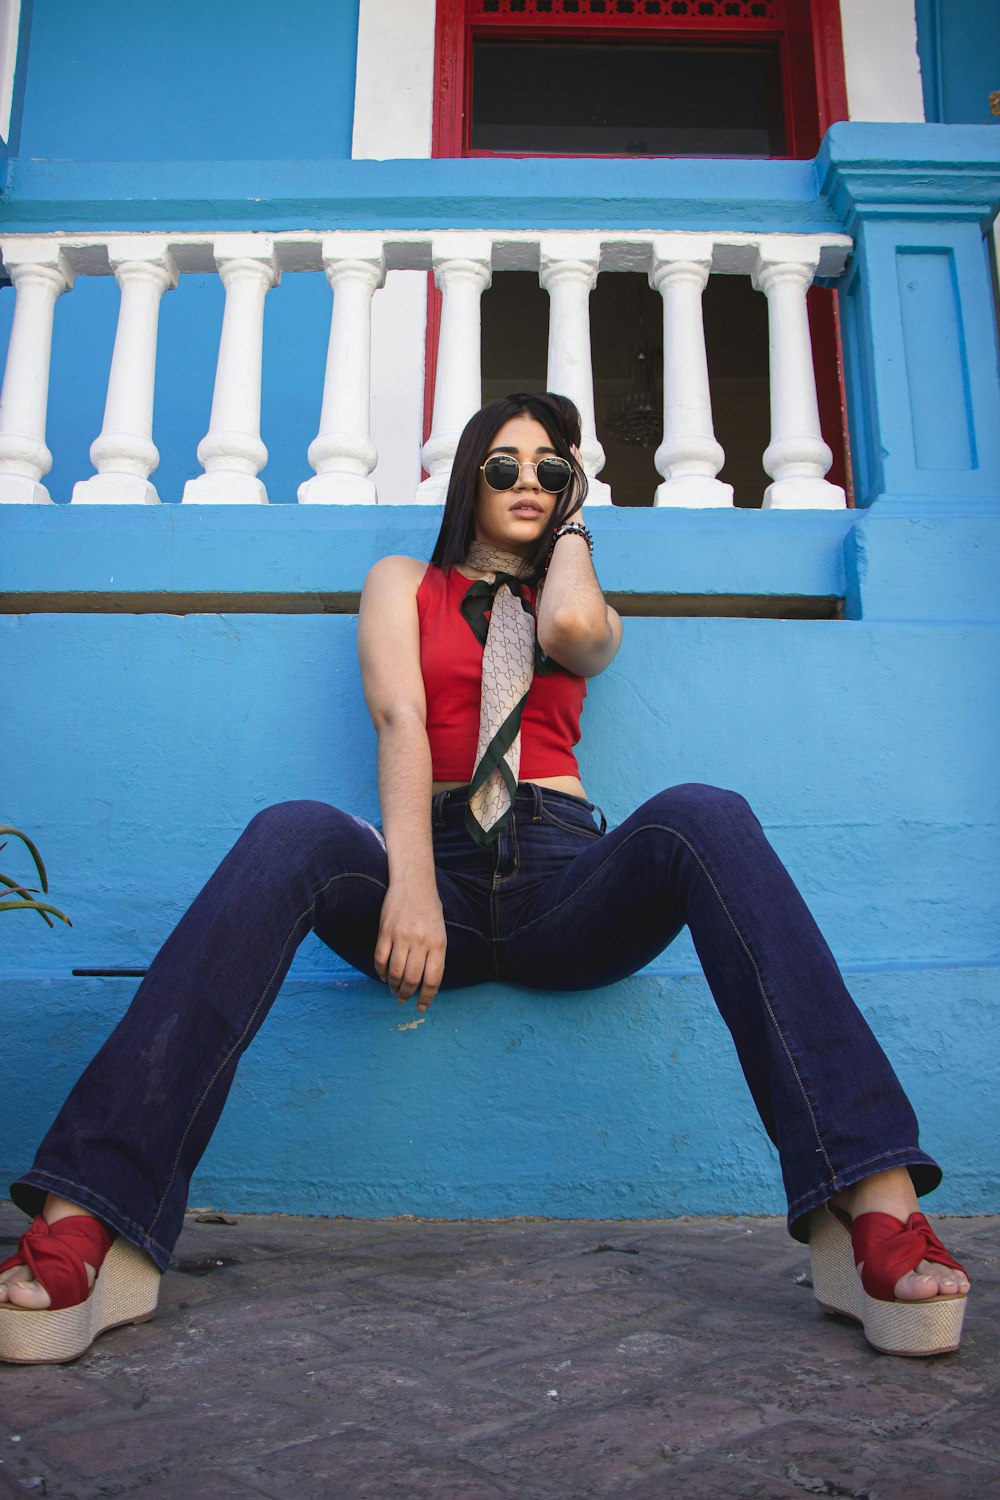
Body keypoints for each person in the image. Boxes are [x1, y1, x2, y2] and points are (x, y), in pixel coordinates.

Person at [0, 392, 970, 1365]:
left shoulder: (573, 594)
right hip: (435, 875)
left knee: (705, 812)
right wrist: (411, 883)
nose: (524, 483)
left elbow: (573, 631)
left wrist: (573, 522)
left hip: (565, 880)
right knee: (289, 830)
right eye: (502, 465)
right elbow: (400, 723)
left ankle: (872, 1200)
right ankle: (95, 1207)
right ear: (466, 475)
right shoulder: (399, 584)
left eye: (549, 469)